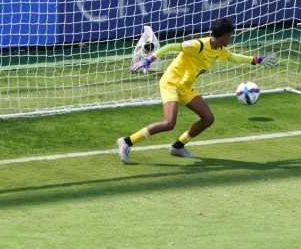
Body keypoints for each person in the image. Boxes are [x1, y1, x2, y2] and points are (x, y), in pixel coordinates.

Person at [117, 17, 277, 163]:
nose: (230, 38)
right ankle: (127, 141)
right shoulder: (198, 45)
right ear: (224, 36)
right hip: (171, 83)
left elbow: (233, 57)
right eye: (230, 35)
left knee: (208, 118)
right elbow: (170, 46)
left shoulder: (220, 50)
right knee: (169, 123)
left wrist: (257, 60)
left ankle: (178, 147)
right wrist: (149, 59)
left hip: (186, 87)